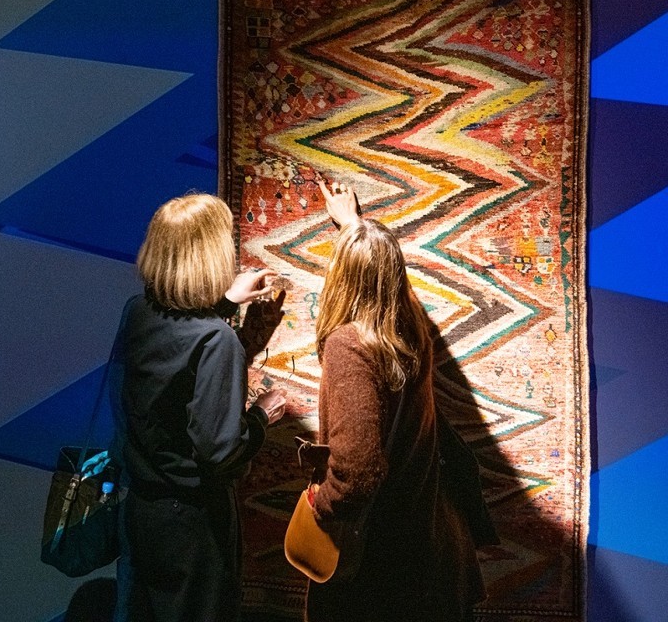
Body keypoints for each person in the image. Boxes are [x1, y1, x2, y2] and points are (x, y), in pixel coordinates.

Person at [303, 180, 494, 622]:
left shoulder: (349, 346)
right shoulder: (409, 330)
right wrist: (355, 228)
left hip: (376, 567)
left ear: (342, 279)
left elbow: (358, 473)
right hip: (425, 548)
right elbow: (383, 282)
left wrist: (320, 505)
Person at [110, 192, 287, 622]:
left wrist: (226, 303)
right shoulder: (217, 342)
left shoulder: (136, 312)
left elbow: (173, 354)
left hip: (140, 513)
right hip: (191, 529)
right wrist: (262, 417)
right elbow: (219, 451)